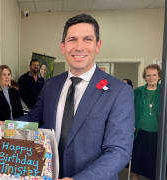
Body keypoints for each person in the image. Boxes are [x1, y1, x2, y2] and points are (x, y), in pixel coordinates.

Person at [19, 14, 134, 180]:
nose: (79, 47)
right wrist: (5, 127)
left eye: (87, 39)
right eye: (72, 39)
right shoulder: (51, 85)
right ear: (63, 46)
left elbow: (119, 151)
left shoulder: (119, 91)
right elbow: (33, 118)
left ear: (98, 45)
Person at [131, 64, 161, 180]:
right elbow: (130, 109)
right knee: (137, 163)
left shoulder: (163, 91)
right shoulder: (138, 91)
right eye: (148, 75)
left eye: (154, 75)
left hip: (157, 133)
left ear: (159, 76)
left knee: (154, 164)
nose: (151, 78)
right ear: (145, 77)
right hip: (139, 132)